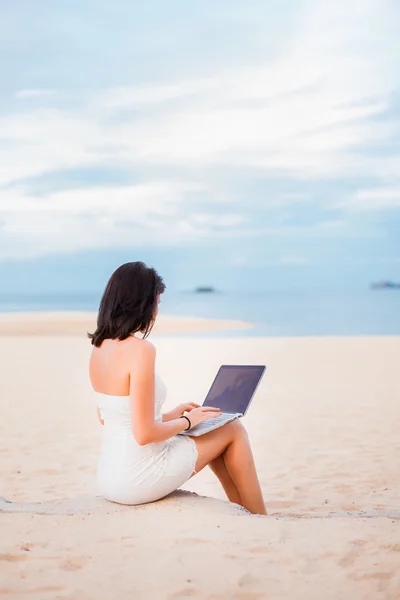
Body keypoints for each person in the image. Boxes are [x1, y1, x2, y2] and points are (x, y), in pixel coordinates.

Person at [89, 262, 267, 515]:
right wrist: (186, 422)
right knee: (234, 428)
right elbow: (144, 434)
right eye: (157, 303)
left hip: (110, 477)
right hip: (138, 476)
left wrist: (172, 415)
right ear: (141, 303)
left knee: (214, 429)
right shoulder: (141, 350)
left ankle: (243, 512)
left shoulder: (99, 347)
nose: (156, 311)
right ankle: (260, 515)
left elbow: (113, 416)